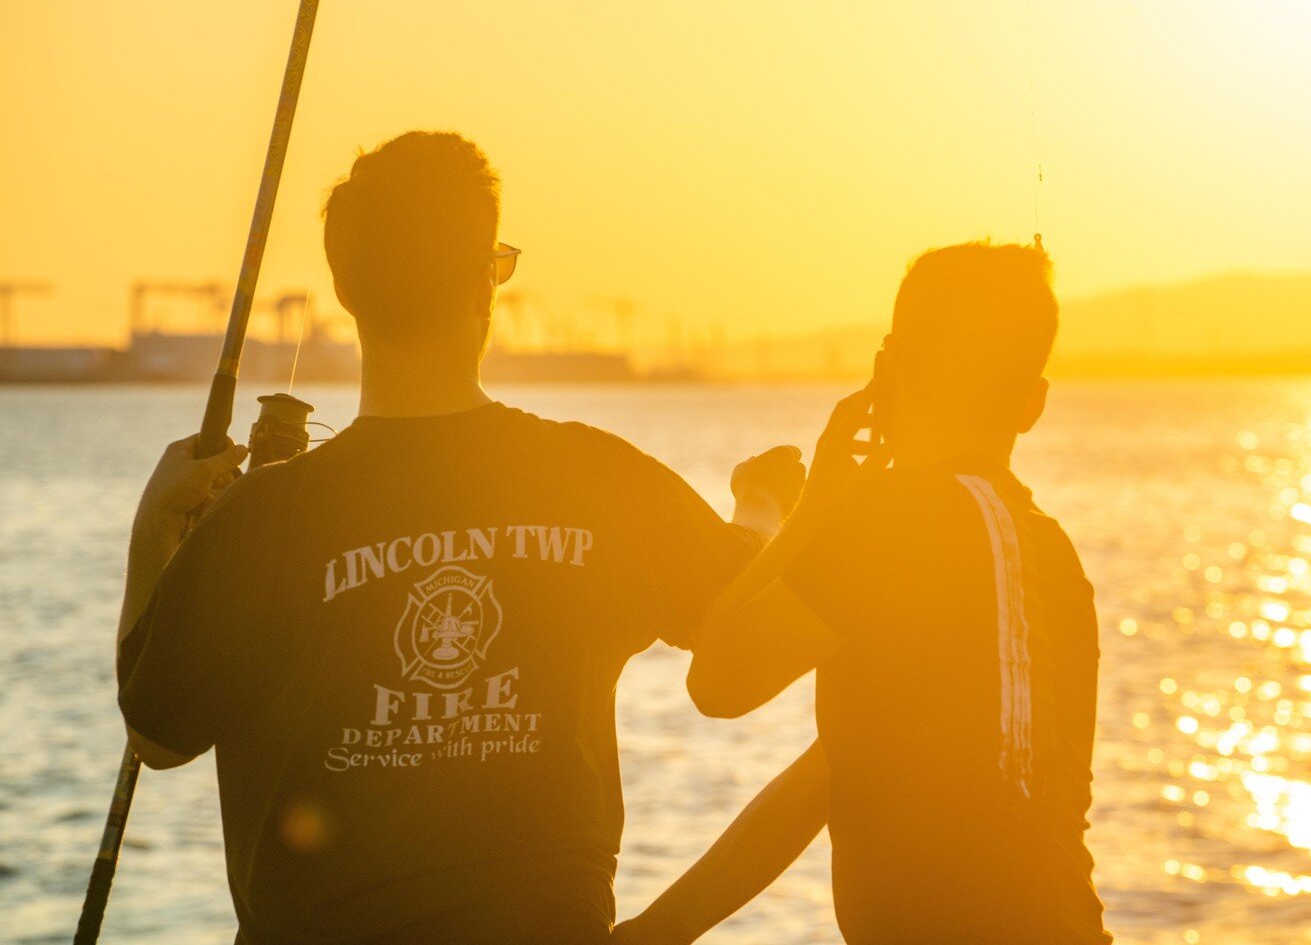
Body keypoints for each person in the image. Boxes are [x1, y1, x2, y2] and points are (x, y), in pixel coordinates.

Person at [115, 130, 804, 944]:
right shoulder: (597, 477)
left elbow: (156, 734)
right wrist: (767, 502)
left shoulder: (259, 518)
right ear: (487, 280)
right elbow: (739, 608)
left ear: (344, 288)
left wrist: (155, 530)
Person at [616, 241, 1112, 943]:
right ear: (1033, 404)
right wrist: (658, 930)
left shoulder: (894, 521)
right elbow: (835, 771)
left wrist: (807, 507)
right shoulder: (1053, 557)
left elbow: (717, 679)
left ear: (889, 369)